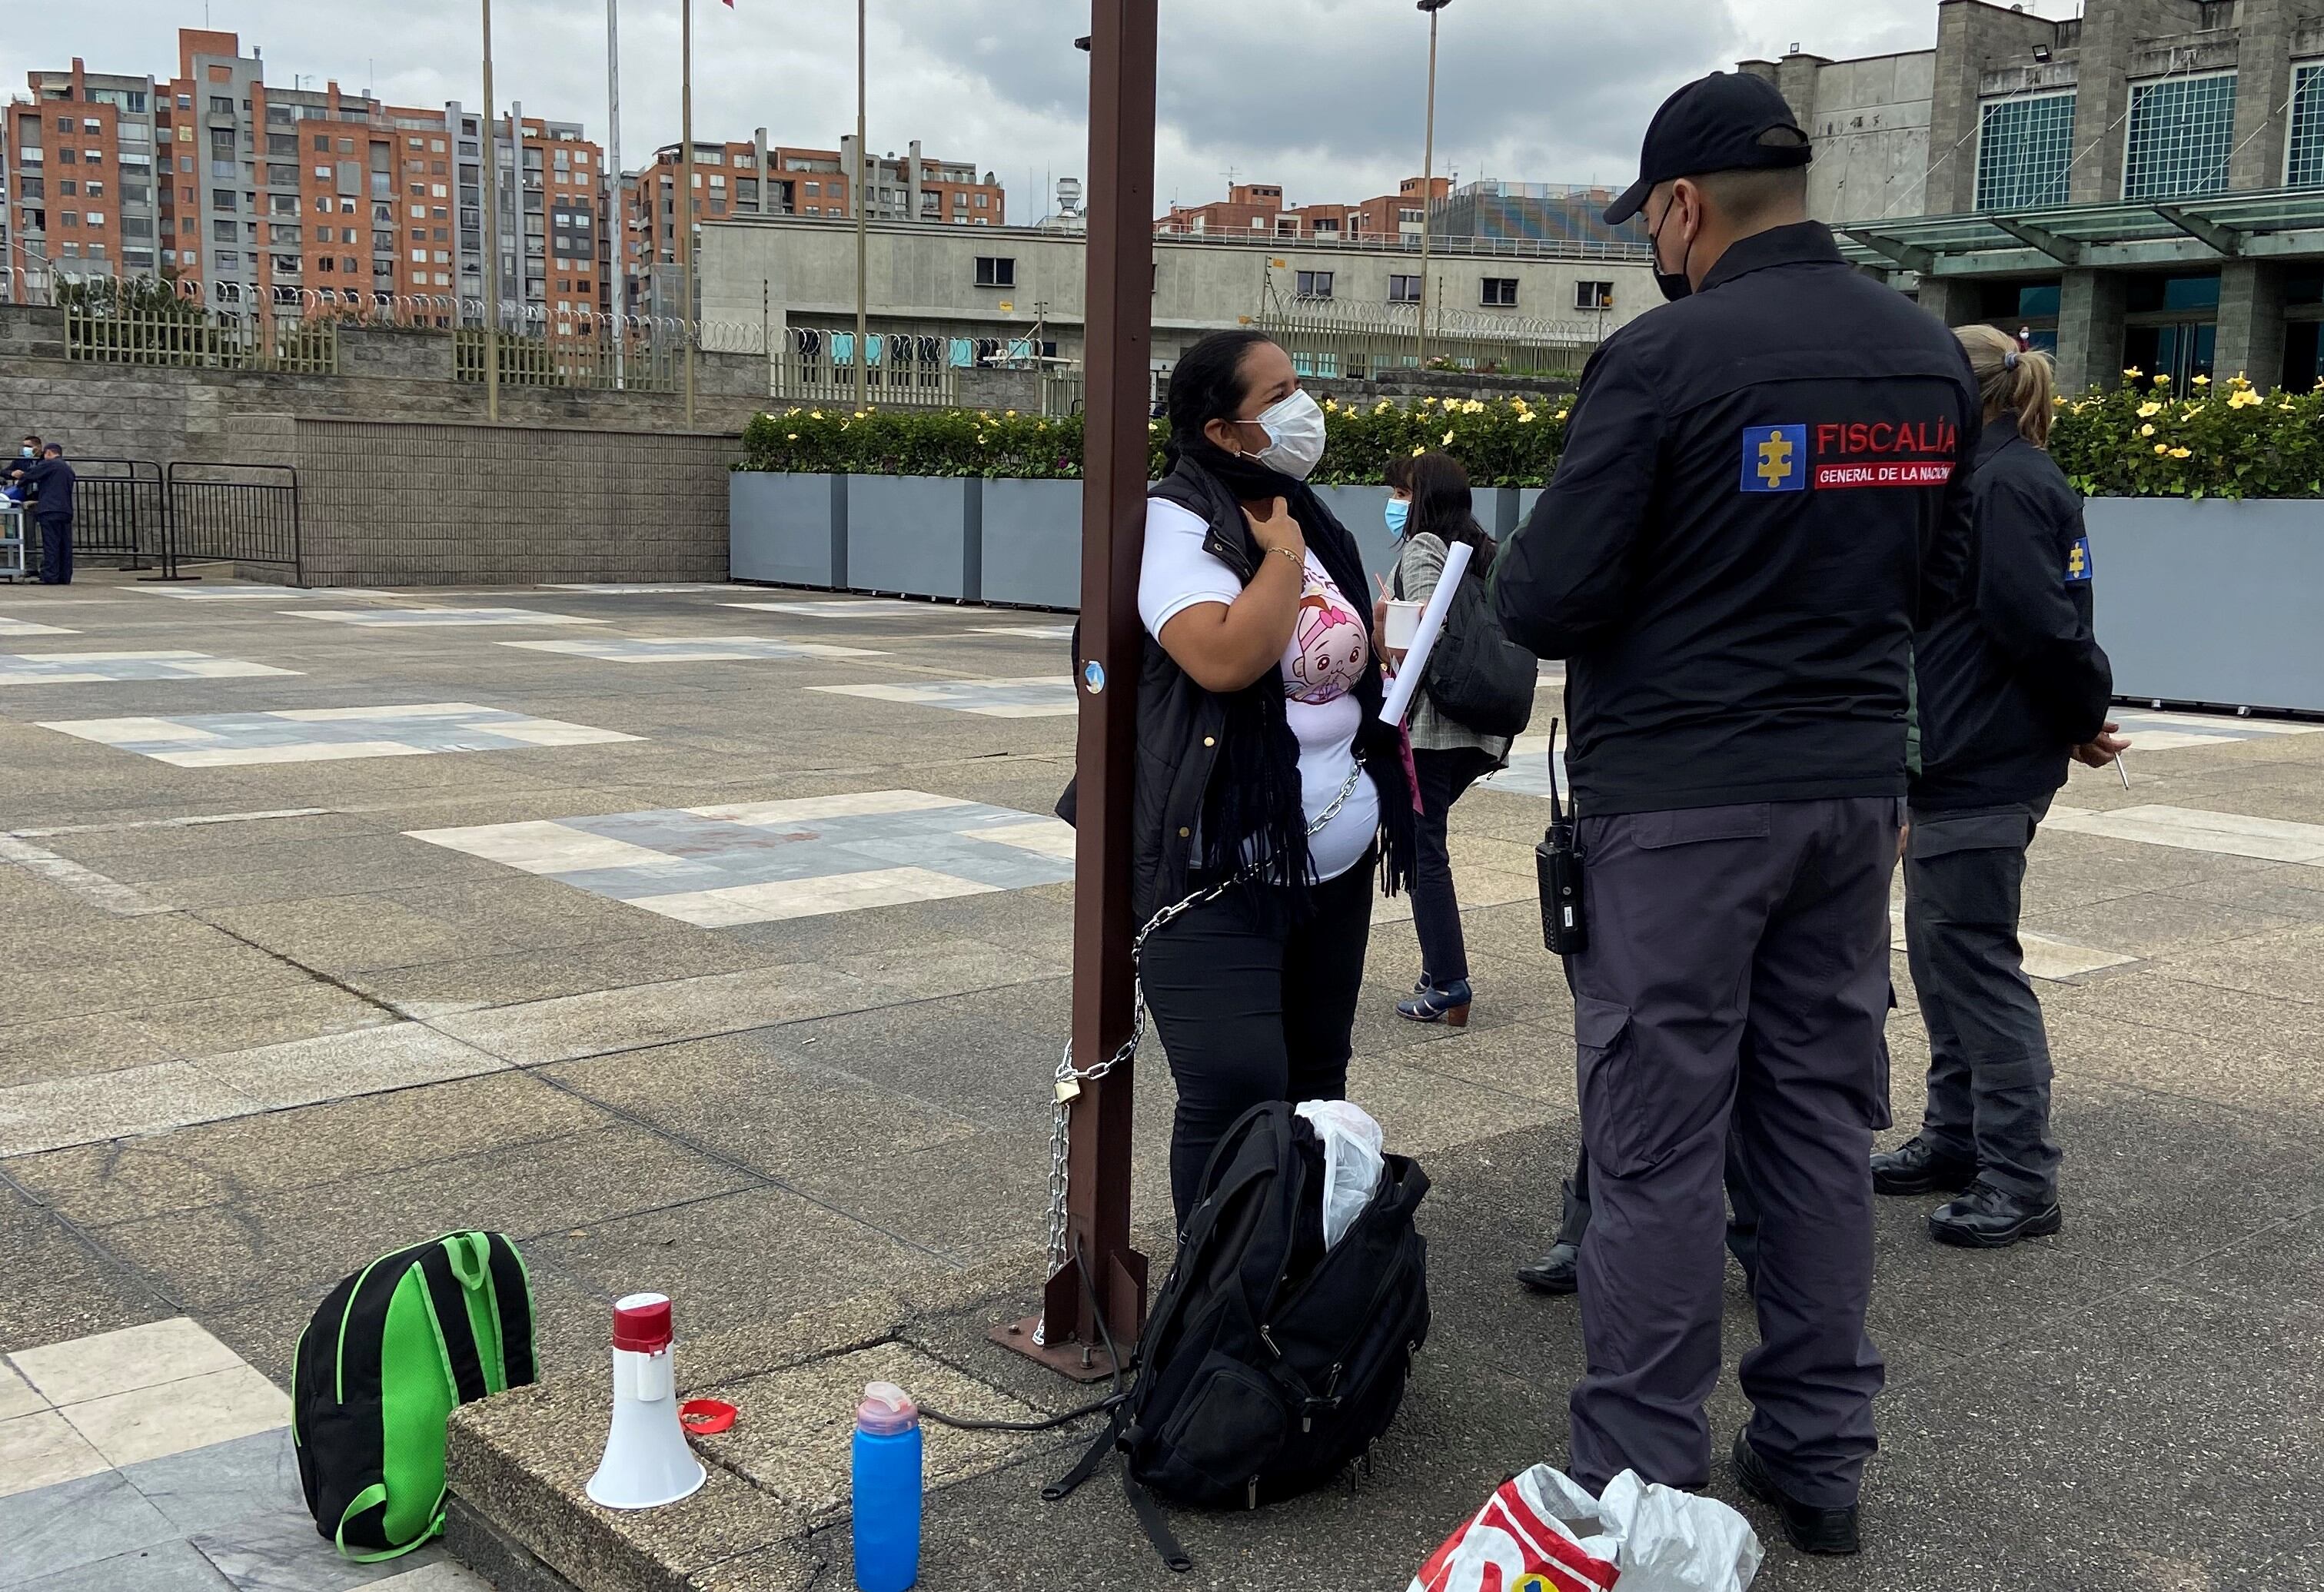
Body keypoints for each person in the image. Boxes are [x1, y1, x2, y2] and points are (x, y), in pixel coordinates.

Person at [1491, 71, 1977, 1556]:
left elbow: (1547, 594)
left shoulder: (1660, 360)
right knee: (1819, 1127)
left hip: (1683, 816)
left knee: (1653, 1141)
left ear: (1683, 208)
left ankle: (1642, 1479)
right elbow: (1943, 589)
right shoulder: (1924, 356)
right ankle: (1818, 1457)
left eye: (1648, 217)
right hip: (1846, 799)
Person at [1132, 328, 1415, 1226]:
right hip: (1218, 865)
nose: (1307, 407)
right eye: (1281, 393)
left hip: (1328, 864)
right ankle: (1216, 1303)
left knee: (1312, 1078)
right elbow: (1221, 656)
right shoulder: (1180, 517)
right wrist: (1284, 554)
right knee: (1234, 1090)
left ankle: (1294, 1274)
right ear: (1222, 432)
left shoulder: (1297, 506)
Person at [1873, 324, 2124, 1248]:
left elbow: (2039, 627)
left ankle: (2019, 1176)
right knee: (1944, 958)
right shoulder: (1996, 473)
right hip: (1965, 752)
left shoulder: (2002, 482)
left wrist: (2076, 716)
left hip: (1978, 757)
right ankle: (1955, 1138)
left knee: (1971, 963)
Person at [1381, 451, 1511, 1026]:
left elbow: (1429, 624)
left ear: (1424, 497)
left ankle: (1449, 980)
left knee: (1424, 850)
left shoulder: (1423, 547)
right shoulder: (1486, 549)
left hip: (1433, 727)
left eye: (1402, 494)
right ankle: (1438, 971)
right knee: (1425, 841)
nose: (1395, 505)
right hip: (1480, 726)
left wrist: (1387, 620)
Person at [18, 443, 75, 586]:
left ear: (49, 453)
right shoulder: (67, 468)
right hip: (65, 510)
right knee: (64, 544)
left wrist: (20, 477)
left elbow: (30, 475)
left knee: (51, 543)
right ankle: (64, 576)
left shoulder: (49, 464)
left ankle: (50, 576)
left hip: (50, 509)